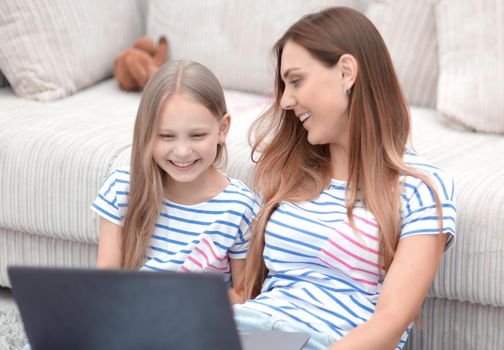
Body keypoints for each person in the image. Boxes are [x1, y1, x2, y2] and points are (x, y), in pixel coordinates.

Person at [233, 7, 457, 350]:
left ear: (346, 72)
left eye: (295, 80)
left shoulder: (421, 188)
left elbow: (391, 321)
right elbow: (255, 294)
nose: (287, 100)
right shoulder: (292, 175)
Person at [91, 60, 258, 304]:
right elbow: (105, 285)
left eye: (197, 135)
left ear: (222, 129)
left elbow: (244, 296)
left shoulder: (240, 206)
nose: (181, 151)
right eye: (166, 136)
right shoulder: (120, 188)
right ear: (147, 133)